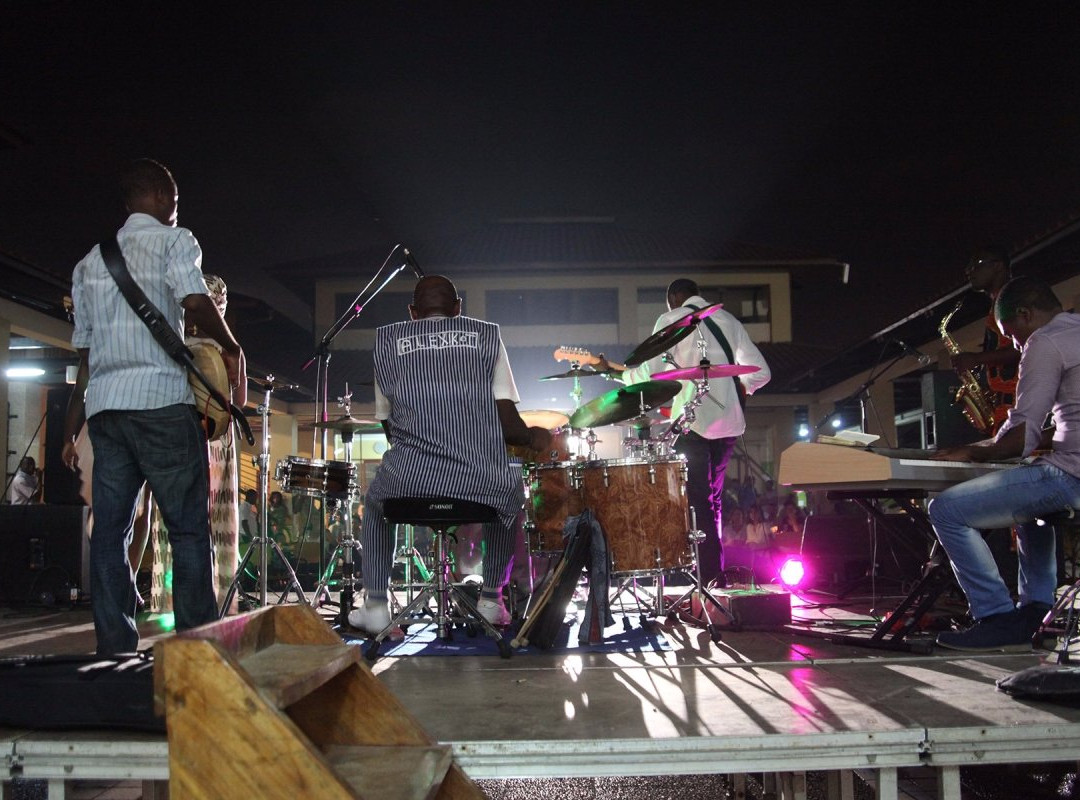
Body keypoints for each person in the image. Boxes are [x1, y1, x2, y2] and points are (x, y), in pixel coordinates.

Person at [61, 158, 246, 655]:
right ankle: (198, 650)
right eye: (175, 201)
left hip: (106, 411)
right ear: (166, 200)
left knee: (110, 534)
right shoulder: (175, 240)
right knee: (187, 530)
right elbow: (193, 297)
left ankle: (115, 649)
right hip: (161, 402)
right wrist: (230, 348)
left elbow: (85, 355)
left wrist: (69, 427)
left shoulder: (88, 262)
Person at [348, 275, 552, 634]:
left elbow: (389, 428)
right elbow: (509, 426)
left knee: (376, 505)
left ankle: (377, 603)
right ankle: (491, 600)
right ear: (458, 309)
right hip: (476, 485)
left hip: (410, 486)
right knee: (508, 494)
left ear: (412, 312)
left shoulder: (387, 342)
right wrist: (536, 436)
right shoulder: (486, 337)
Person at [929, 276, 1080, 651]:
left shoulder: (1043, 342)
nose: (1016, 345)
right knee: (1031, 510)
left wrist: (973, 451)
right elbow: (1063, 424)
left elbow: (1022, 435)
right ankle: (1036, 612)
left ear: (1027, 314)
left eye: (1013, 335)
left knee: (945, 509)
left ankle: (995, 617)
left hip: (1072, 475)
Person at [603, 279, 771, 585]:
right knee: (714, 500)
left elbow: (649, 371)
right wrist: (740, 390)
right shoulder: (728, 320)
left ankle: (706, 578)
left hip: (693, 422)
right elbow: (761, 372)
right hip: (729, 425)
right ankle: (713, 574)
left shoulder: (672, 319)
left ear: (673, 299)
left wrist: (619, 374)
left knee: (696, 499)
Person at [150, 274, 243, 615]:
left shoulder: (170, 340)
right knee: (211, 524)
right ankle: (214, 601)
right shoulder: (228, 348)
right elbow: (239, 401)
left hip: (179, 433)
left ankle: (175, 601)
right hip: (217, 439)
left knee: (178, 518)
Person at [950, 246, 1019, 433]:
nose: (969, 271)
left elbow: (1024, 348)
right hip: (1005, 406)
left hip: (1018, 405)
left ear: (998, 266)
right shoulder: (997, 304)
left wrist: (976, 359)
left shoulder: (1014, 300)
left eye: (976, 265)